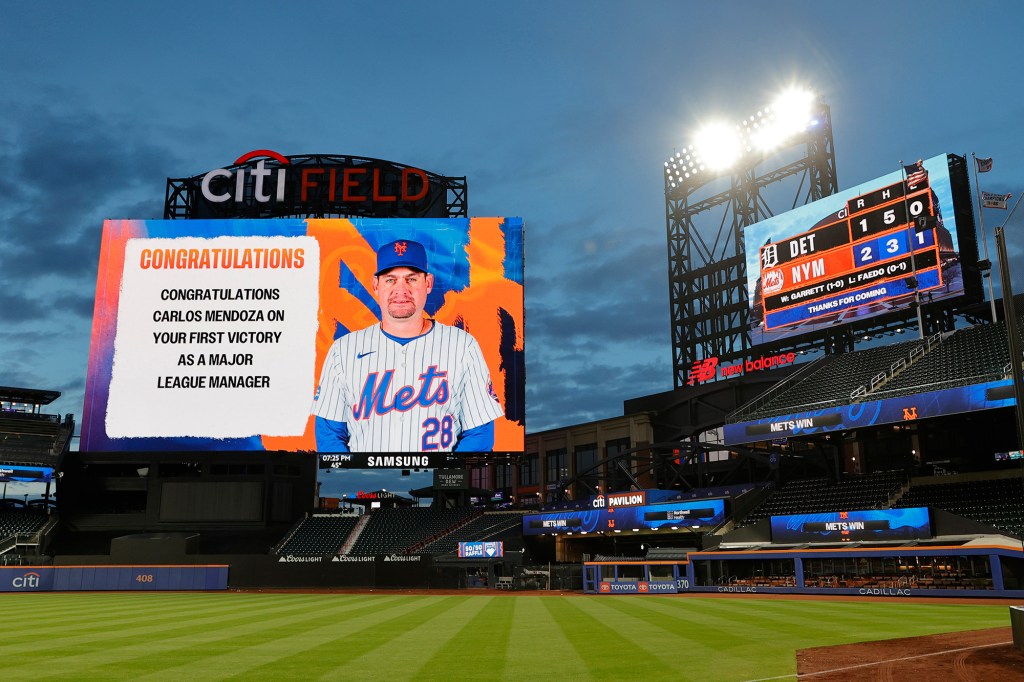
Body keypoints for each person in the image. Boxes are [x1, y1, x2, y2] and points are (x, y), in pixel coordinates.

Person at [312, 238, 504, 452]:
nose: (401, 290)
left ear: (428, 283)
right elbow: (329, 434)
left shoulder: (462, 345)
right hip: (364, 480)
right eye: (390, 280)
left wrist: (444, 478)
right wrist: (357, 474)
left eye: (411, 279)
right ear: (376, 285)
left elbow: (480, 432)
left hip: (436, 481)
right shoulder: (343, 350)